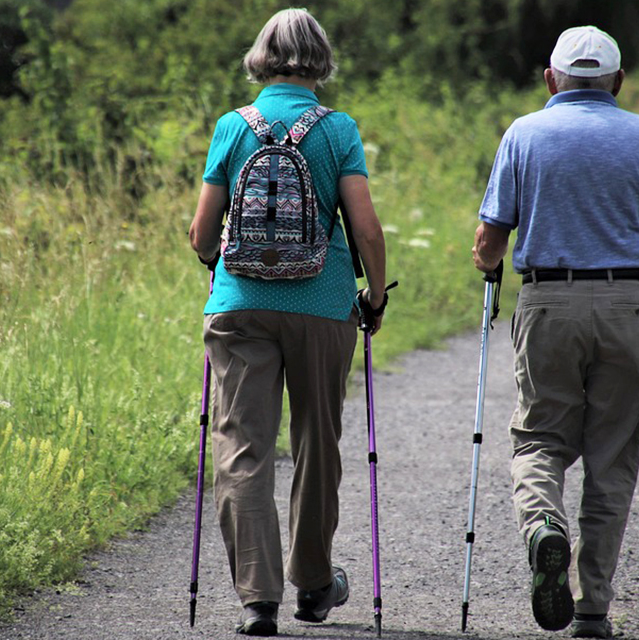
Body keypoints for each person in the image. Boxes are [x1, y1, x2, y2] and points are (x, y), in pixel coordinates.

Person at [471, 26, 639, 639]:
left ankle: (544, 524)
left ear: (551, 79)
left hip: (549, 303)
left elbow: (491, 241)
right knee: (612, 458)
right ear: (619, 81)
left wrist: (485, 261)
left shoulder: (524, 133)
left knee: (539, 439)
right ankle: (592, 605)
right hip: (630, 304)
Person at [188, 8, 388, 637]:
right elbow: (365, 228)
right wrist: (373, 296)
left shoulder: (232, 126)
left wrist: (218, 264)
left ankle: (258, 600)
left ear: (262, 58)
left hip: (240, 306)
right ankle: (315, 583)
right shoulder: (338, 129)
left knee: (242, 447)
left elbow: (201, 234)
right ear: (320, 60)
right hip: (322, 305)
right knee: (315, 443)